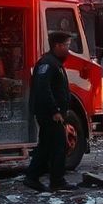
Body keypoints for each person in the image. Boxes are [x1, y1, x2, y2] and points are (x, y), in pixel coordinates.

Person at [24, 31, 73, 193]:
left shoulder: (54, 63)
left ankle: (32, 177)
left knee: (46, 145)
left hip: (53, 113)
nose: (68, 49)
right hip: (50, 114)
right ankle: (57, 181)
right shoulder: (47, 63)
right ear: (57, 46)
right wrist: (55, 110)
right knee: (58, 146)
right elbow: (43, 89)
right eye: (66, 45)